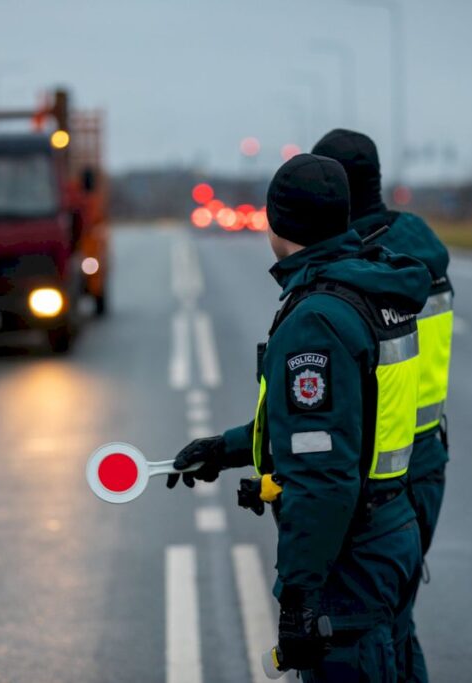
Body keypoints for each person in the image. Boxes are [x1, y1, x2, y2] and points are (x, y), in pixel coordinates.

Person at [167, 154, 431, 681]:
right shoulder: (374, 289)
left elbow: (324, 473)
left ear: (276, 222)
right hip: (394, 530)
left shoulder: (317, 319)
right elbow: (351, 426)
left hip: (350, 558)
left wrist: (298, 597)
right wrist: (226, 449)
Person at [312, 129, 455, 683]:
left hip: (385, 473)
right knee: (397, 620)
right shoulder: (419, 248)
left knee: (373, 631)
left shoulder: (372, 264)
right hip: (428, 458)